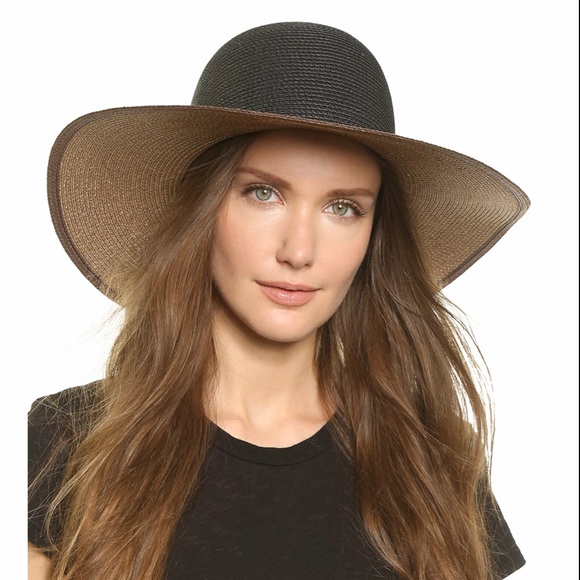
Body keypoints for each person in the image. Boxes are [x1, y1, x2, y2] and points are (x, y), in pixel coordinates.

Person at [28, 21, 529, 580]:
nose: (299, 251)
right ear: (201, 210)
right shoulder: (65, 442)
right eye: (263, 193)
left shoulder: (429, 457)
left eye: (343, 207)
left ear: (374, 235)